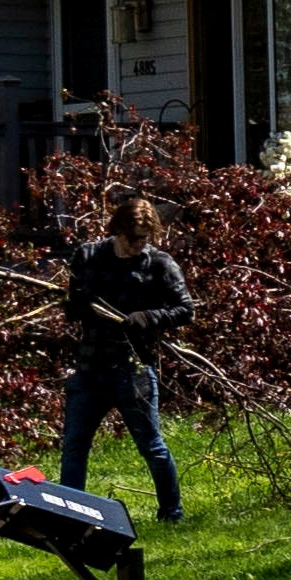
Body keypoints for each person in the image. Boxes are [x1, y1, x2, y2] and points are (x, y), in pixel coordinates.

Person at [62, 187, 199, 522]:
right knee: (74, 447)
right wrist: (83, 306)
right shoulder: (88, 256)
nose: (139, 246)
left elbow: (185, 310)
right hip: (90, 367)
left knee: (151, 446)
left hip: (134, 369)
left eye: (144, 239)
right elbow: (71, 306)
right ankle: (69, 516)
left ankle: (172, 513)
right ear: (117, 230)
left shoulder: (160, 264)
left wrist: (149, 317)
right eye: (133, 239)